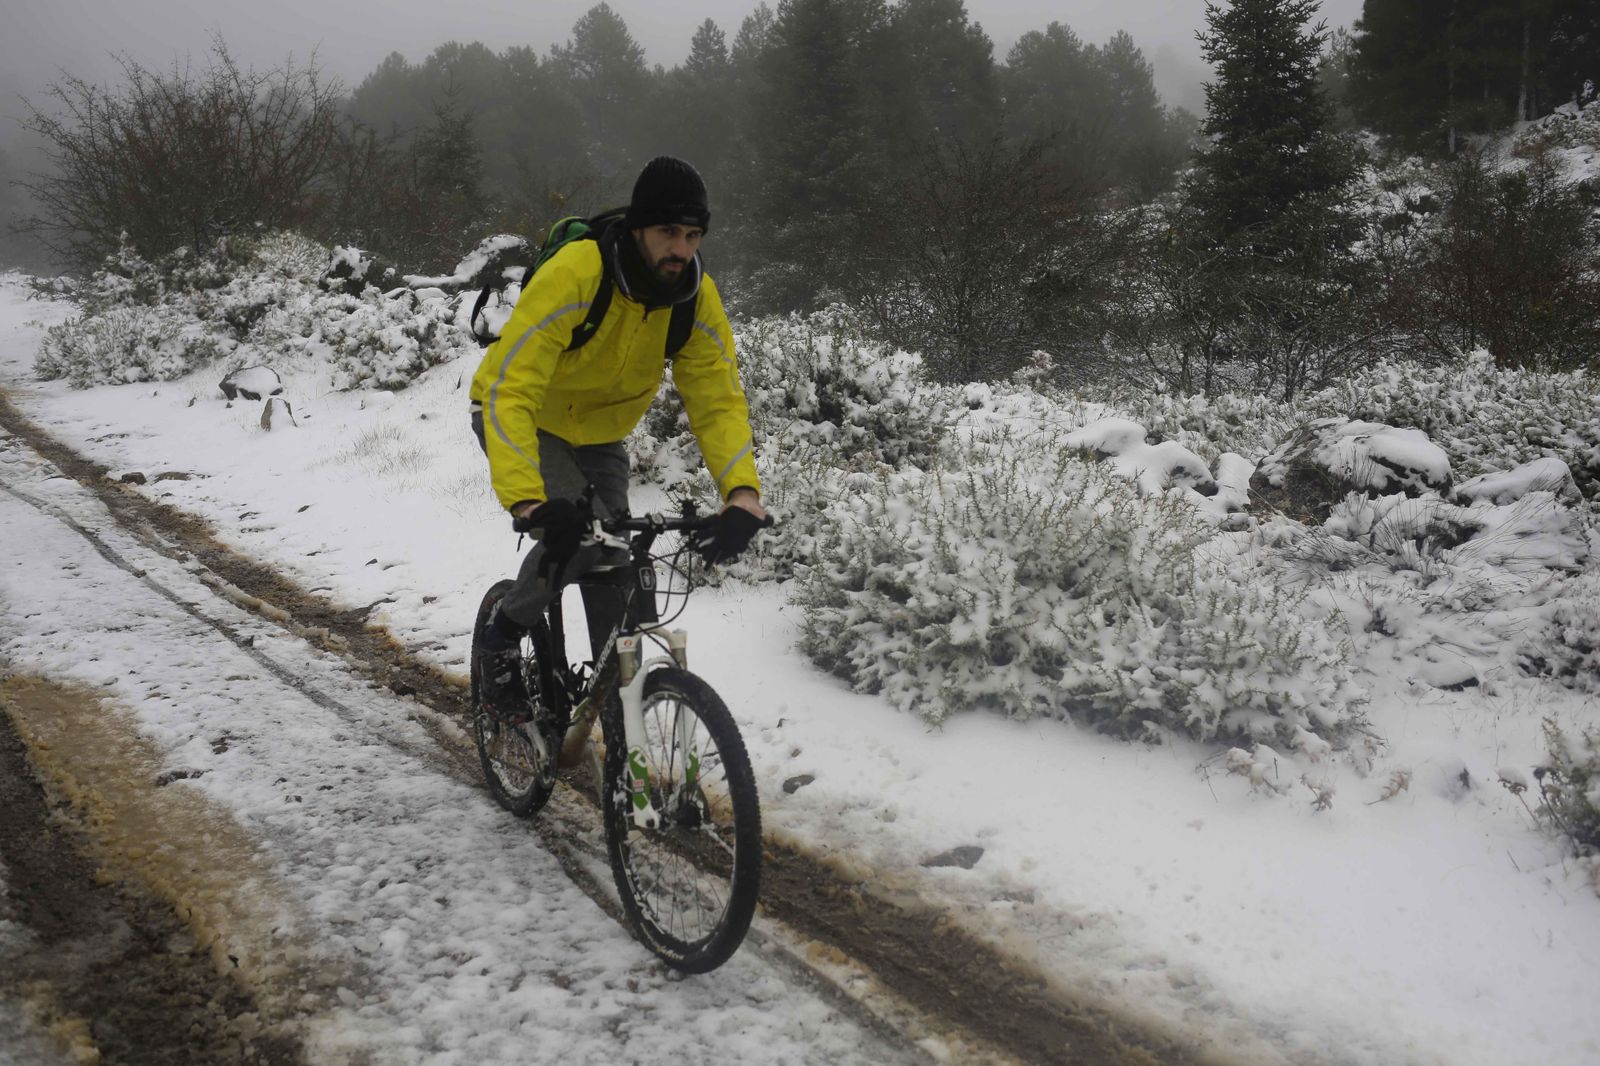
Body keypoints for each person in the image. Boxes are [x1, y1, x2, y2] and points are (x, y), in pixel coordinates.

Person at [469, 156, 767, 717]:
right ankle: (502, 635)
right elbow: (513, 388)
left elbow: (717, 398)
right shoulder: (579, 273)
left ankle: (622, 724)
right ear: (637, 229)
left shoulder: (694, 297)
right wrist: (532, 502)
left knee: (622, 577)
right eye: (667, 232)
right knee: (581, 540)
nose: (681, 248)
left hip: (601, 434)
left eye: (693, 234)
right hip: (524, 415)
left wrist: (741, 493)